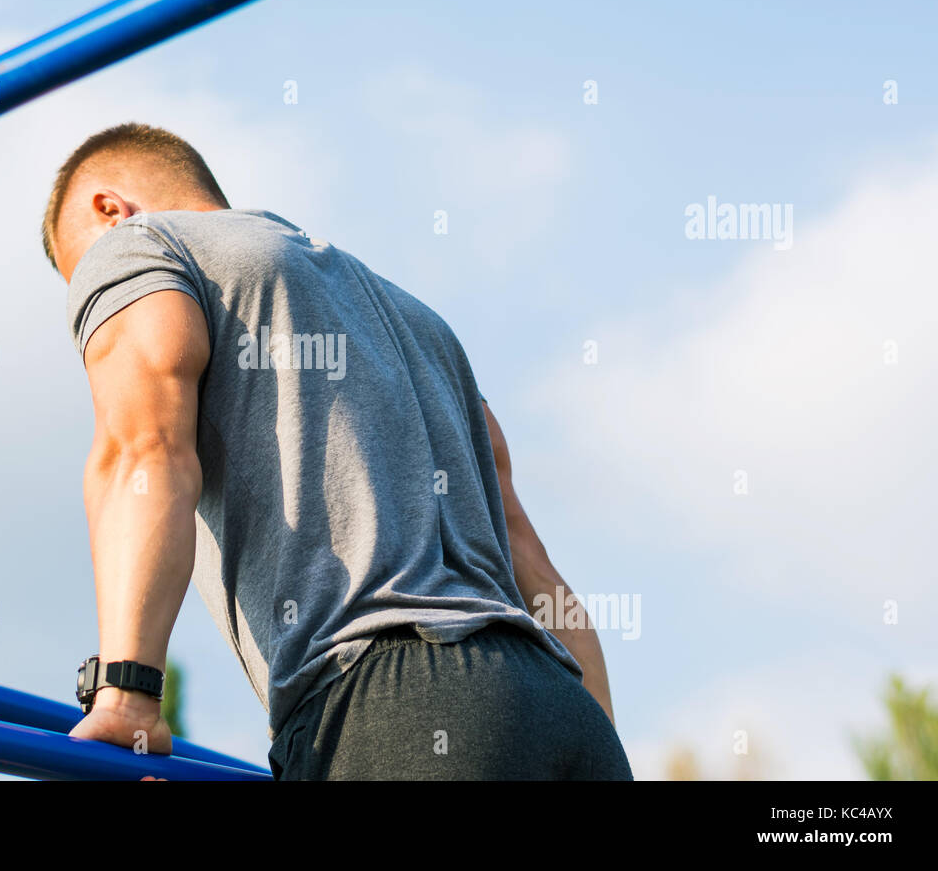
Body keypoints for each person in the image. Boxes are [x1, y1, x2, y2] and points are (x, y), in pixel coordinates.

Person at [45, 121, 633, 780]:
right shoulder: (422, 326)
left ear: (109, 208)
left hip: (394, 701)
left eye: (75, 270)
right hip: (561, 711)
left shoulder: (141, 245)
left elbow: (143, 453)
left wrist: (126, 693)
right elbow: (538, 570)